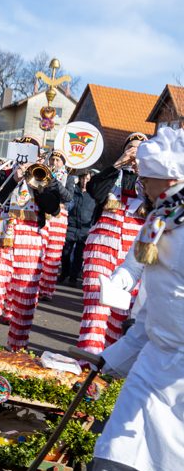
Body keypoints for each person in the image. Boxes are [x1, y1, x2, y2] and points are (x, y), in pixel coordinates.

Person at [91, 126, 184, 471]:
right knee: (113, 453)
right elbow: (147, 311)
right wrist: (107, 360)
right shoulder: (158, 220)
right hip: (155, 361)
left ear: (172, 178)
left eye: (147, 178)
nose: (141, 184)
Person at [0, 135, 62, 349]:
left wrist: (38, 184)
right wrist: (13, 178)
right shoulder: (1, 172)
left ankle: (17, 352)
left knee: (25, 302)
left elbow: (54, 208)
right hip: (0, 238)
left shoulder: (45, 177)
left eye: (32, 152)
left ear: (39, 156)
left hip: (31, 242)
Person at [76, 133, 148, 354]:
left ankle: (107, 373)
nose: (133, 152)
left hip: (132, 255)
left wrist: (144, 172)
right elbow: (95, 191)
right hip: (101, 247)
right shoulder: (112, 174)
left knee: (120, 315)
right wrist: (118, 164)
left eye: (139, 149)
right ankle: (87, 365)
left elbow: (157, 208)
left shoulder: (150, 181)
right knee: (96, 308)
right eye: (130, 148)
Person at [38, 150, 74, 301]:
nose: (54, 163)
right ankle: (37, 286)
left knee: (53, 253)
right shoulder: (42, 173)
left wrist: (53, 181)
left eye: (58, 161)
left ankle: (48, 289)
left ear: (63, 163)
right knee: (41, 251)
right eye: (52, 159)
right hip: (45, 214)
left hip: (59, 217)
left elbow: (68, 196)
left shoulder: (70, 178)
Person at [60, 169, 95, 286]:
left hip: (85, 229)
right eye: (83, 178)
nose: (85, 181)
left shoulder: (93, 194)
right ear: (80, 179)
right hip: (71, 226)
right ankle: (64, 272)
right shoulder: (73, 191)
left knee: (79, 256)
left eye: (87, 179)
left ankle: (73, 277)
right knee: (65, 252)